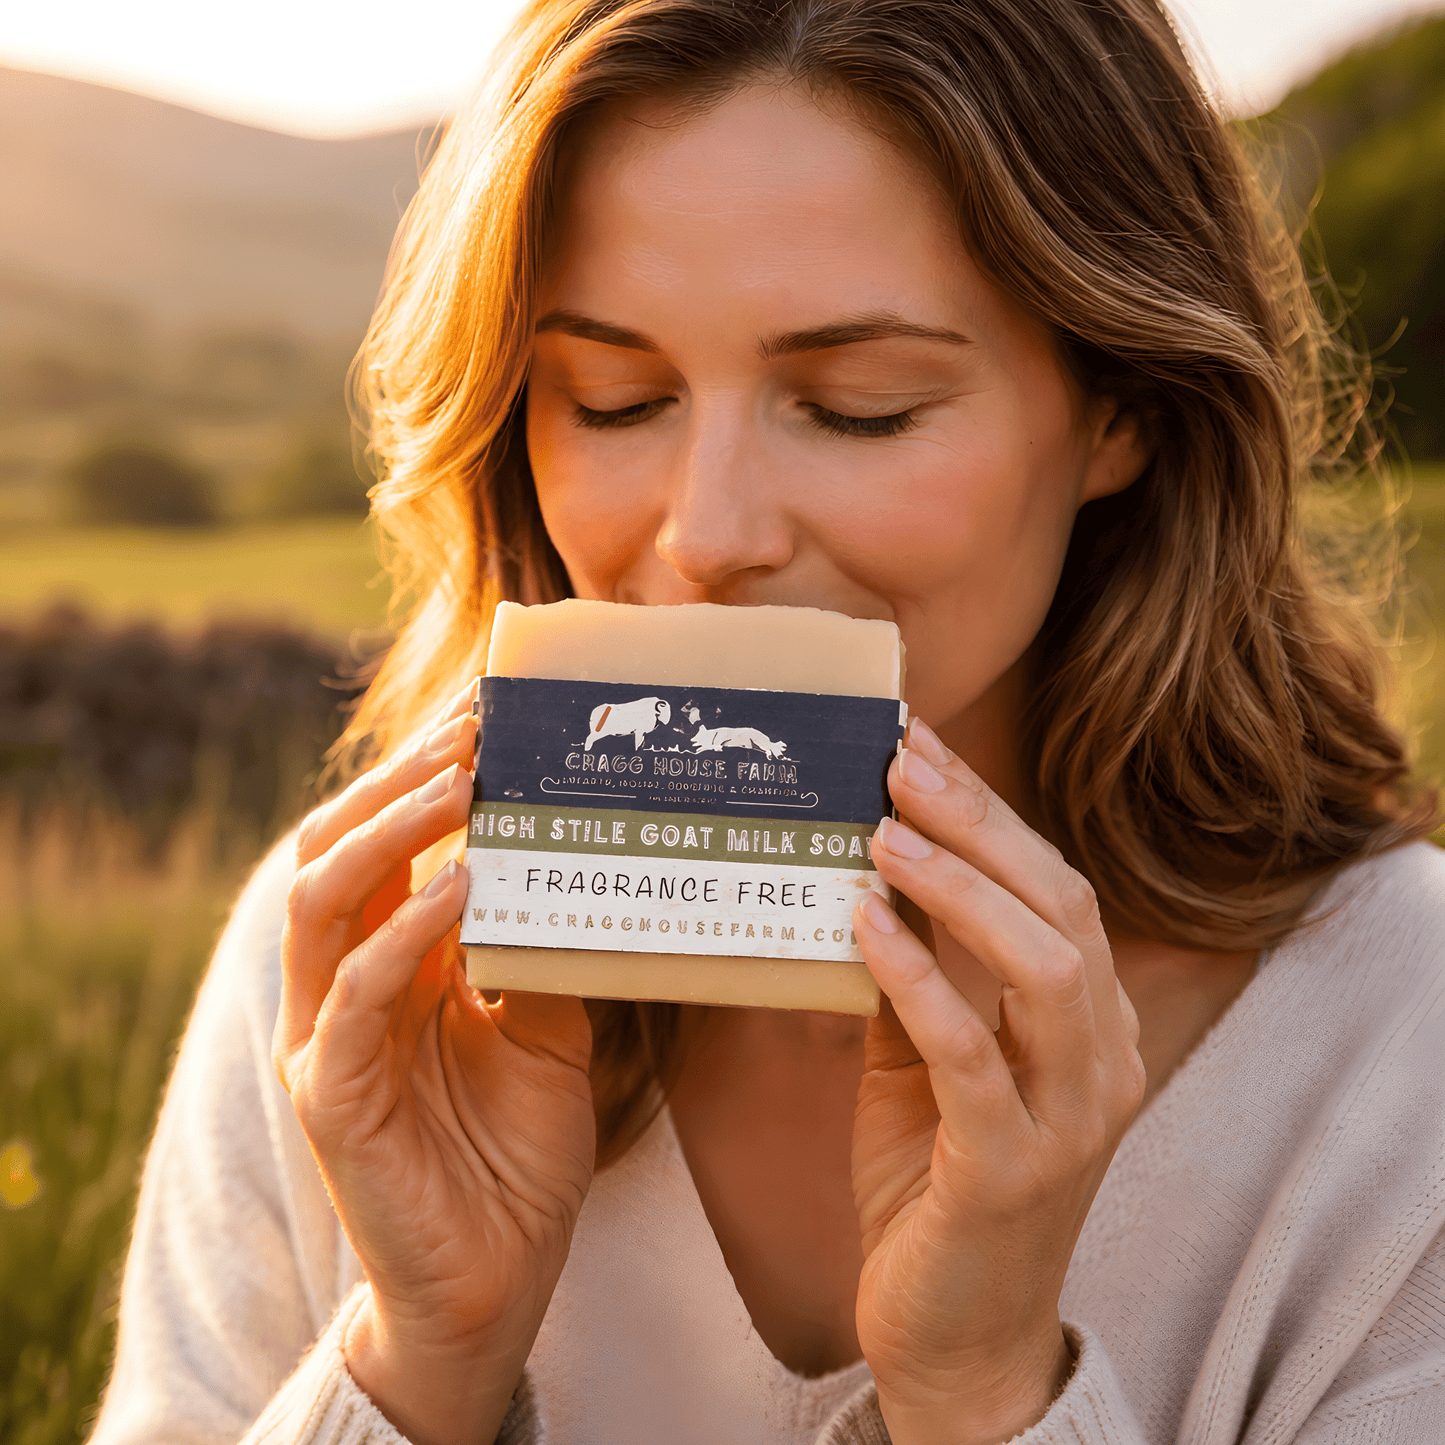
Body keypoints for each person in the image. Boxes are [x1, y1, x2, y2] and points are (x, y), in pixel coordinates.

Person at [88, 1, 1445, 1442]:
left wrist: (991, 1396)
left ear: (1125, 409)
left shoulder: (1399, 1048)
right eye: (614, 400)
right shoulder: (357, 971)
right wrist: (413, 1363)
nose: (709, 535)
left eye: (861, 408)